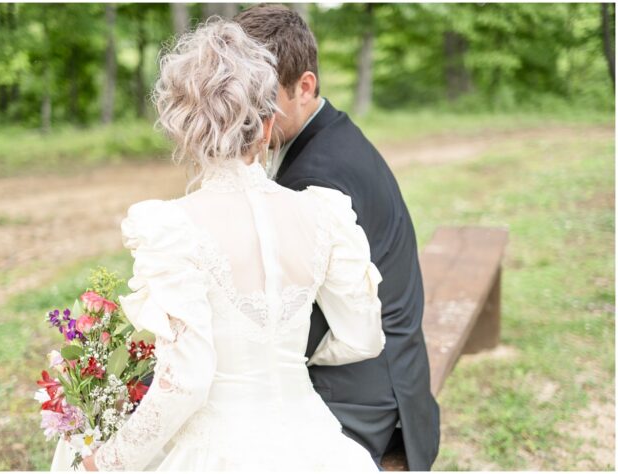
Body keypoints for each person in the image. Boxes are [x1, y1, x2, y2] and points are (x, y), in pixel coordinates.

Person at [53, 20, 385, 471]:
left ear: (185, 132)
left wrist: (108, 462)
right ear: (267, 125)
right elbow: (361, 336)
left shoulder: (172, 228)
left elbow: (186, 382)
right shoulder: (323, 215)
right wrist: (285, 364)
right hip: (315, 442)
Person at [234, 4, 440, 469]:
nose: (247, 117)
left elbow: (295, 323)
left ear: (304, 87)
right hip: (395, 364)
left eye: (260, 101)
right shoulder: (331, 134)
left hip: (364, 395)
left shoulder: (315, 178)